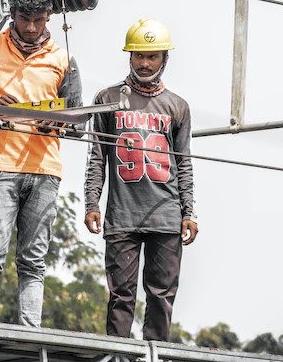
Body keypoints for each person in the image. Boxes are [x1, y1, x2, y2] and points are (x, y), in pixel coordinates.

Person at [0, 0, 82, 327]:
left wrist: (55, 122)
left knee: (33, 259)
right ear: (11, 14)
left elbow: (77, 121)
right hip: (0, 166)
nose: (30, 27)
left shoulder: (64, 59)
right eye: (24, 19)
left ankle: (31, 331)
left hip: (45, 170)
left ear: (49, 17)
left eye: (38, 19)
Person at [84, 18, 198, 341]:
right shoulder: (107, 99)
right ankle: (118, 354)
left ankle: (156, 353)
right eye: (138, 56)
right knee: (121, 296)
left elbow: (184, 163)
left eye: (152, 57)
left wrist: (188, 212)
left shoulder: (178, 107)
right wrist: (92, 201)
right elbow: (97, 156)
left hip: (166, 215)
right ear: (129, 57)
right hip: (122, 216)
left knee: (161, 296)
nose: (145, 64)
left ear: (164, 59)